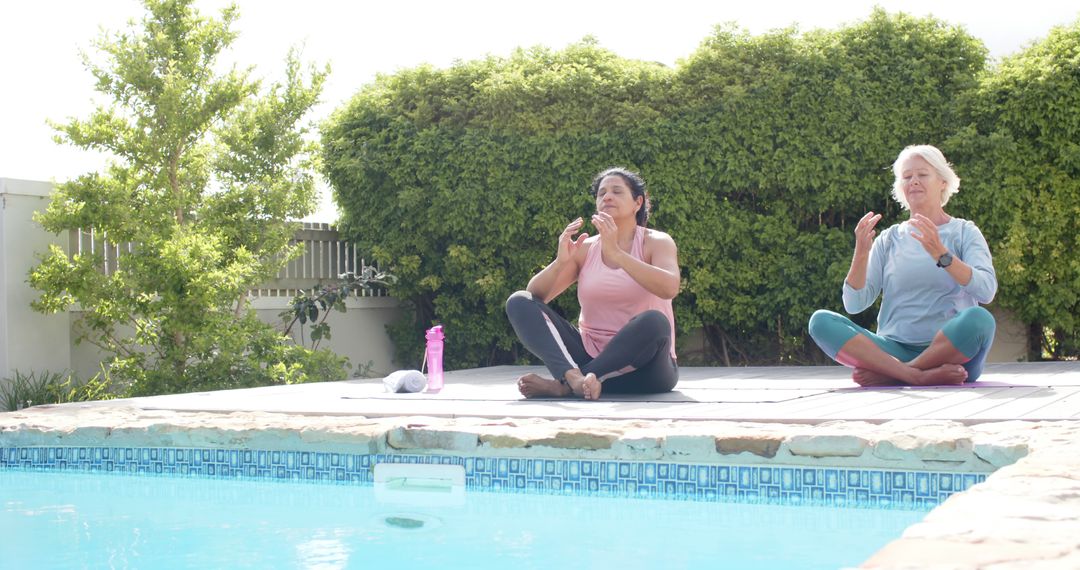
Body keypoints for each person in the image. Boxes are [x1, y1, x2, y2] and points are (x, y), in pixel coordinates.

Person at [808, 145, 998, 386]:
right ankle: (914, 375)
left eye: (922, 174)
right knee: (820, 321)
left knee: (980, 320)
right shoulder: (889, 239)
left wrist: (942, 254)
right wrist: (861, 252)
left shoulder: (964, 232)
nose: (914, 182)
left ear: (942, 181)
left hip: (953, 356)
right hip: (893, 350)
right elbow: (854, 304)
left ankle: (897, 374)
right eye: (907, 177)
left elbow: (986, 291)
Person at [505, 167, 680, 400]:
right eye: (601, 193)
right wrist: (559, 262)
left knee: (655, 321)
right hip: (590, 356)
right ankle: (576, 379)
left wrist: (617, 254)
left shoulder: (656, 242)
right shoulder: (586, 248)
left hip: (647, 370)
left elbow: (669, 288)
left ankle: (565, 386)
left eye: (617, 191)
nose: (607, 196)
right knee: (518, 301)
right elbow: (535, 297)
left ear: (637, 203)